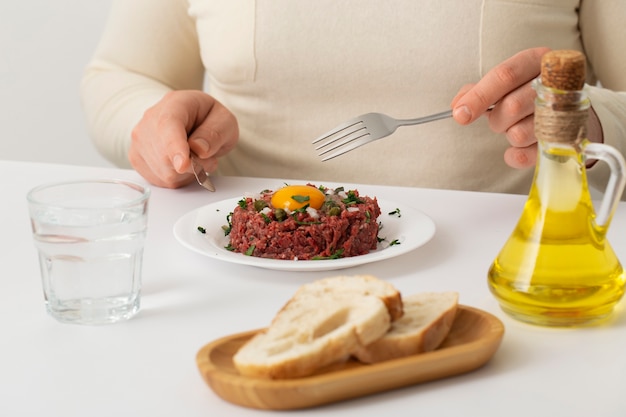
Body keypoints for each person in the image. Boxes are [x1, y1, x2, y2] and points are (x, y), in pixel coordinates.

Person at [81, 0, 626, 194]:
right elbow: (117, 76)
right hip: (239, 263)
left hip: (504, 279)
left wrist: (587, 121)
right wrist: (158, 126)